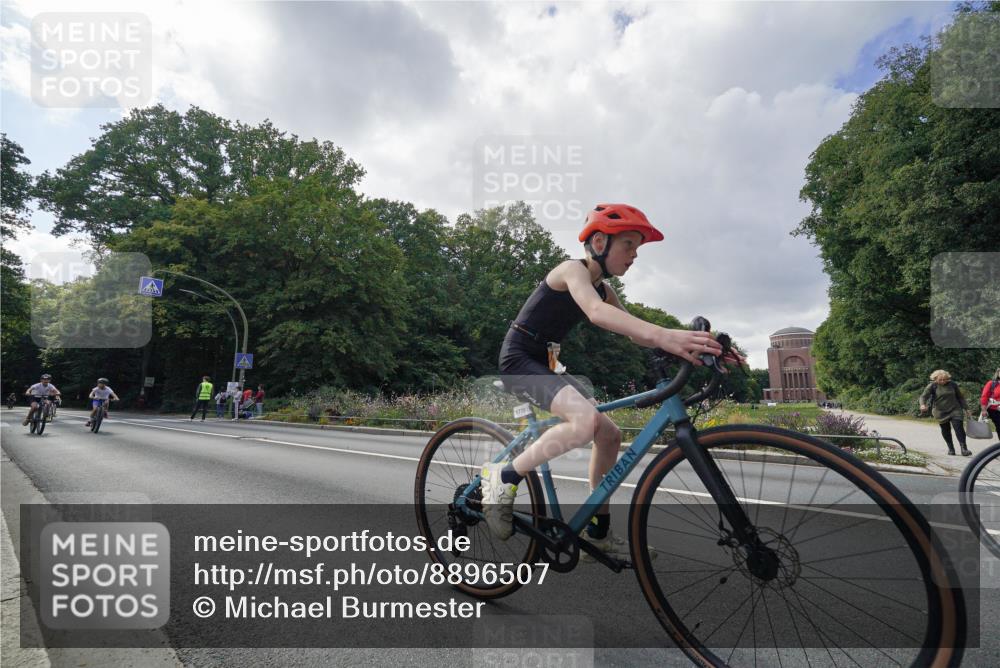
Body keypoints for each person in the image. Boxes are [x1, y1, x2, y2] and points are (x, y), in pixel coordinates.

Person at [481, 203, 741, 557]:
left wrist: (695, 344)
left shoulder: (605, 289)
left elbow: (634, 331)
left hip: (547, 363)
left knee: (610, 434)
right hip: (519, 360)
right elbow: (596, 313)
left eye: (637, 248)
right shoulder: (571, 270)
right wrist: (666, 336)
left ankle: (597, 531)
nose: (635, 255)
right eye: (629, 245)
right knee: (585, 422)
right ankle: (504, 477)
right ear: (600, 242)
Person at [920, 370, 971, 456]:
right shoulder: (932, 386)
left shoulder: (952, 384)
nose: (943, 381)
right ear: (935, 379)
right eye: (940, 380)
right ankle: (951, 449)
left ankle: (964, 449)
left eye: (945, 379)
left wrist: (966, 409)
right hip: (940, 411)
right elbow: (923, 396)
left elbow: (960, 397)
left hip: (955, 409)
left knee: (959, 428)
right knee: (945, 429)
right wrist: (922, 405)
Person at [980, 367, 1000, 435]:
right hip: (994, 410)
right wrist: (984, 410)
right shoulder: (992, 383)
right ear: (998, 373)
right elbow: (984, 397)